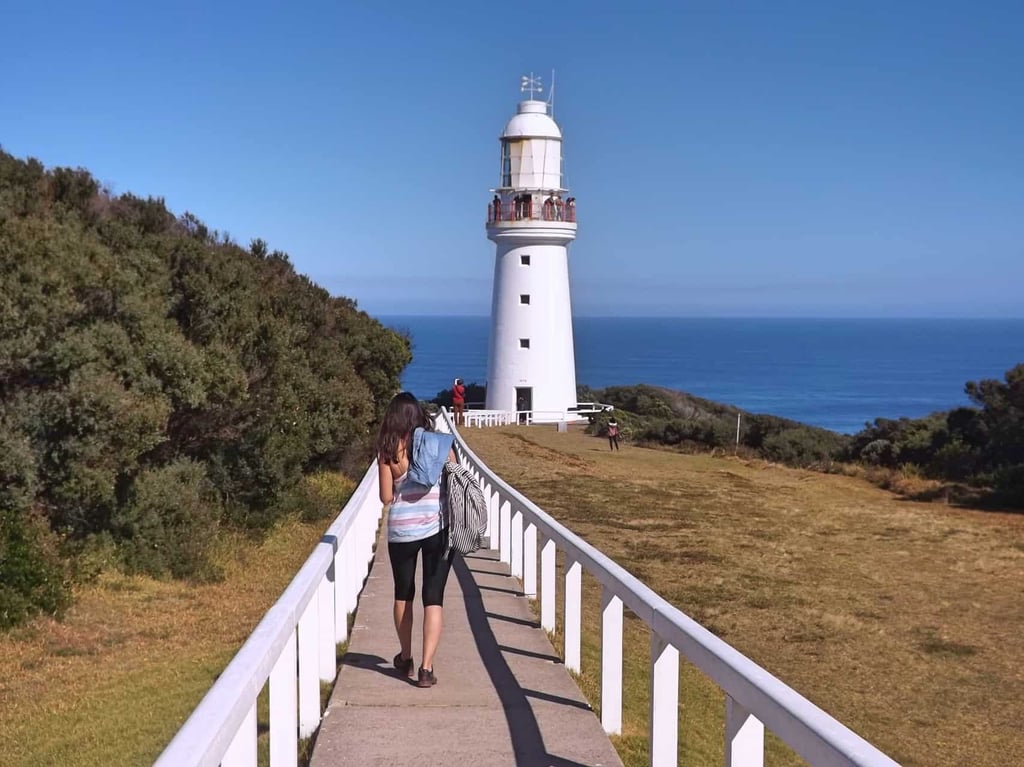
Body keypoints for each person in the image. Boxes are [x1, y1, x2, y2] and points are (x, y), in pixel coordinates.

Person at [376, 392, 458, 688]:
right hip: (438, 528)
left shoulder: (388, 449)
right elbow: (455, 480)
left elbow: (386, 497)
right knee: (433, 598)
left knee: (403, 594)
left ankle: (406, 657)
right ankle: (426, 668)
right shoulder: (440, 443)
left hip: (402, 531)